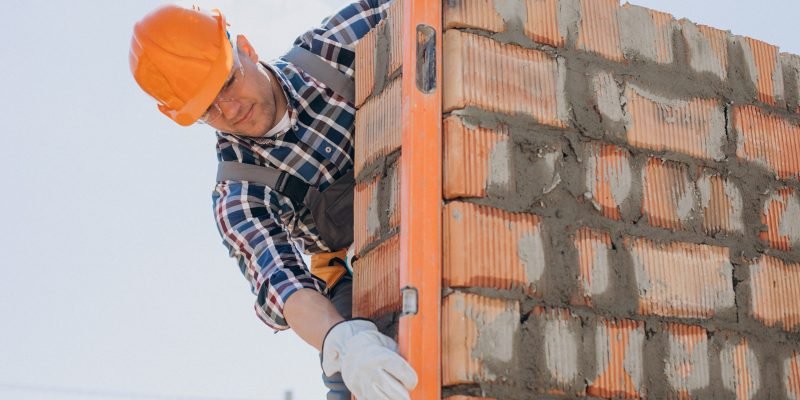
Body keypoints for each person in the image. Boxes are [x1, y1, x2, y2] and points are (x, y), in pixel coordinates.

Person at [128, 2, 417, 399]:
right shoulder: (240, 191)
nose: (229, 109)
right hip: (359, 268)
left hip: (428, 189)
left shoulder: (335, 50)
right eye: (206, 109)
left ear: (245, 48)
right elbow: (285, 284)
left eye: (227, 82)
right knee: (353, 382)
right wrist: (347, 344)